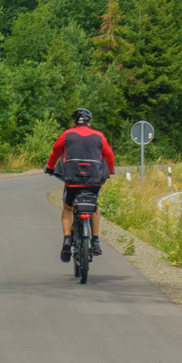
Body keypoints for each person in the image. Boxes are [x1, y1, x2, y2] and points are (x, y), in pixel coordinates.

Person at [45, 108, 115, 262]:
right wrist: (109, 171)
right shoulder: (99, 136)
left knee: (68, 208)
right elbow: (109, 155)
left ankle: (67, 240)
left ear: (74, 122)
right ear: (89, 122)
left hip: (72, 180)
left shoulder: (67, 134)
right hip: (94, 181)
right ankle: (95, 241)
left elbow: (55, 152)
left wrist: (50, 167)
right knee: (94, 206)